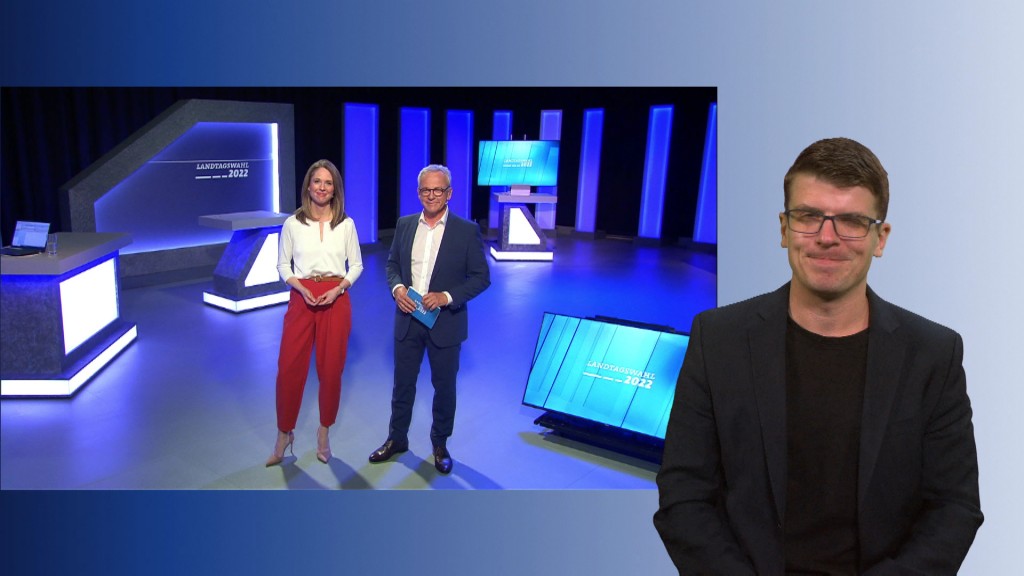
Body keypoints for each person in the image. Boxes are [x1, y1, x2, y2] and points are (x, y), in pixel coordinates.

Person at [654, 138, 982, 574]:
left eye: (850, 221)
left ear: (880, 238)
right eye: (809, 217)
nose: (827, 238)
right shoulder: (717, 339)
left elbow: (954, 507)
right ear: (784, 228)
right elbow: (683, 494)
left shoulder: (934, 354)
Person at [368, 164, 490, 474]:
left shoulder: (466, 230)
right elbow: (392, 264)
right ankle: (397, 439)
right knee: (402, 385)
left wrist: (447, 297)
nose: (431, 195)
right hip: (408, 318)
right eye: (425, 190)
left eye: (438, 190)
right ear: (418, 192)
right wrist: (396, 289)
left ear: (449, 193)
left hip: (446, 323)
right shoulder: (406, 224)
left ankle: (440, 444)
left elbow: (481, 277)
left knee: (444, 387)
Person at [266, 159, 363, 467]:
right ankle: (284, 434)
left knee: (330, 370)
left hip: (336, 297)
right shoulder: (293, 223)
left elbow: (357, 265)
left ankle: (324, 433)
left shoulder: (346, 224)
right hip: (301, 297)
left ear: (335, 189)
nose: (322, 187)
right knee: (288, 368)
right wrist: (299, 285)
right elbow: (283, 265)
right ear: (308, 185)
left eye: (328, 182)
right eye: (317, 181)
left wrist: (340, 288)